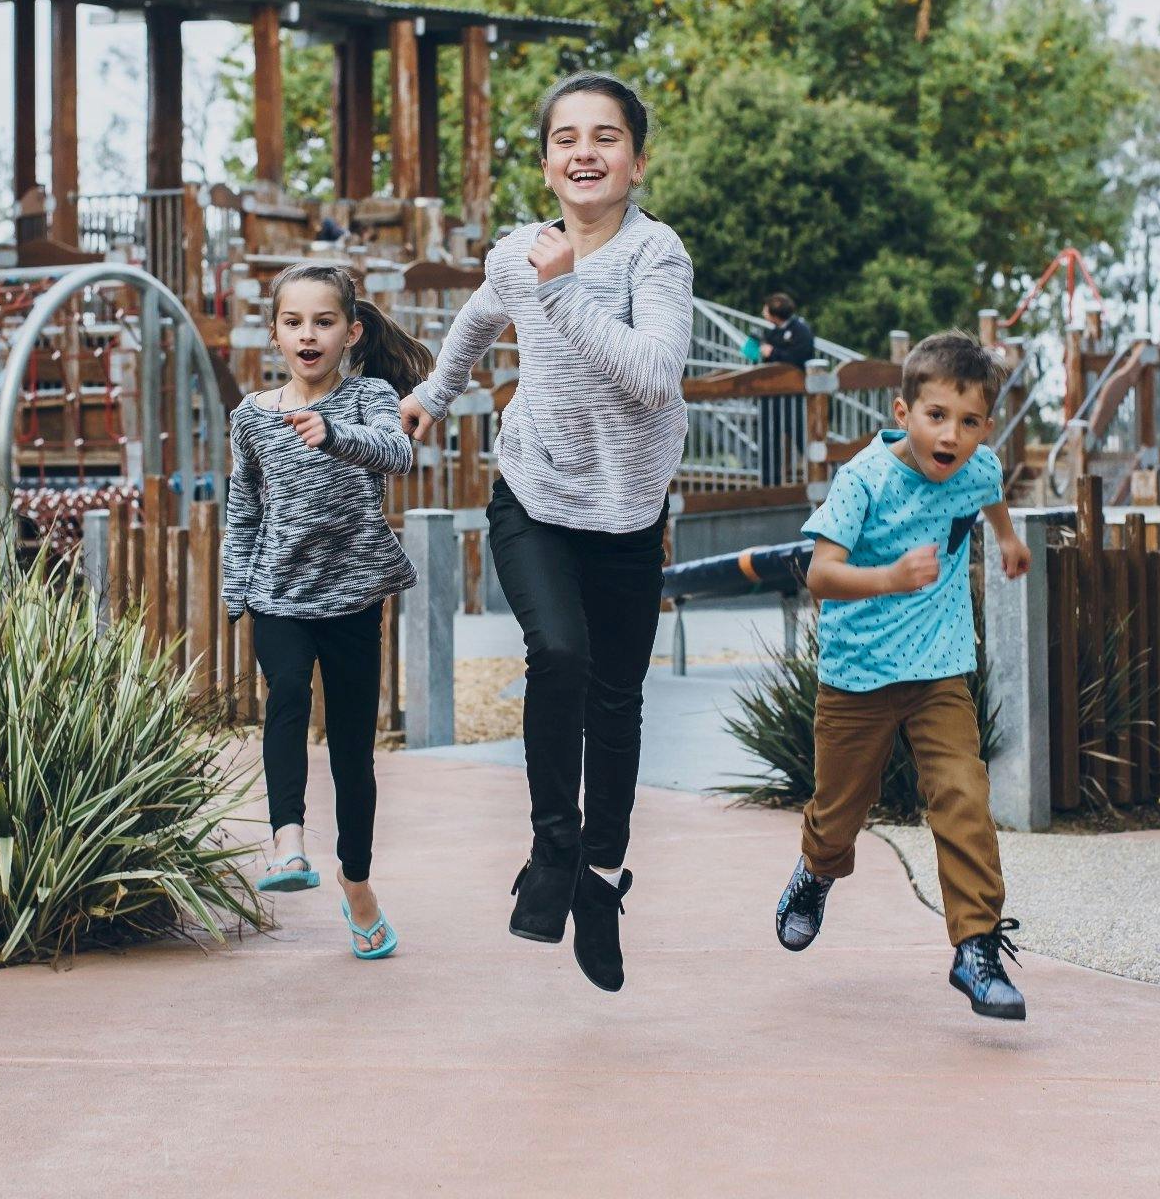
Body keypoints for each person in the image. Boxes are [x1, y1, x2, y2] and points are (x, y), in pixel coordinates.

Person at [400, 71, 692, 993]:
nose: (586, 151)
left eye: (607, 137)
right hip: (532, 490)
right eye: (567, 137)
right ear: (546, 163)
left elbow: (655, 374)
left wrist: (564, 292)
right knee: (558, 655)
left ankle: (600, 881)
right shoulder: (516, 255)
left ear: (636, 161)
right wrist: (433, 394)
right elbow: (480, 319)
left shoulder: (657, 255)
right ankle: (551, 850)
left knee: (616, 699)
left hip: (628, 510)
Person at [772, 330, 1035, 1020]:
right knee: (838, 816)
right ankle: (817, 869)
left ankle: (974, 946)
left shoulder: (977, 468)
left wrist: (1006, 538)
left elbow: (990, 492)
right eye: (937, 416)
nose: (952, 434)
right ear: (901, 412)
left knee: (962, 794)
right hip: (857, 675)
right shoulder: (865, 480)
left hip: (940, 669)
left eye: (970, 420)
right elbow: (820, 574)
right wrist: (890, 577)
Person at [221, 261, 434, 961]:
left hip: (350, 598)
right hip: (277, 593)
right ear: (275, 333)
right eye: (293, 322)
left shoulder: (369, 395)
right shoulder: (252, 416)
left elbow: (397, 451)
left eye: (323, 321)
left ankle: (359, 887)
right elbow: (244, 508)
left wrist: (333, 434)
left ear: (351, 331)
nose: (307, 334)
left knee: (352, 750)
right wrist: (234, 589)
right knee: (283, 697)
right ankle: (287, 844)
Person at [754, 291, 815, 485]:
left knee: (800, 435)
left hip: (792, 395)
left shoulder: (801, 331)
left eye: (766, 309)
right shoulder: (772, 331)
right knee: (767, 437)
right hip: (770, 394)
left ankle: (820, 475)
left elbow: (800, 359)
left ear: (774, 313)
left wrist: (773, 352)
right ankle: (769, 481)